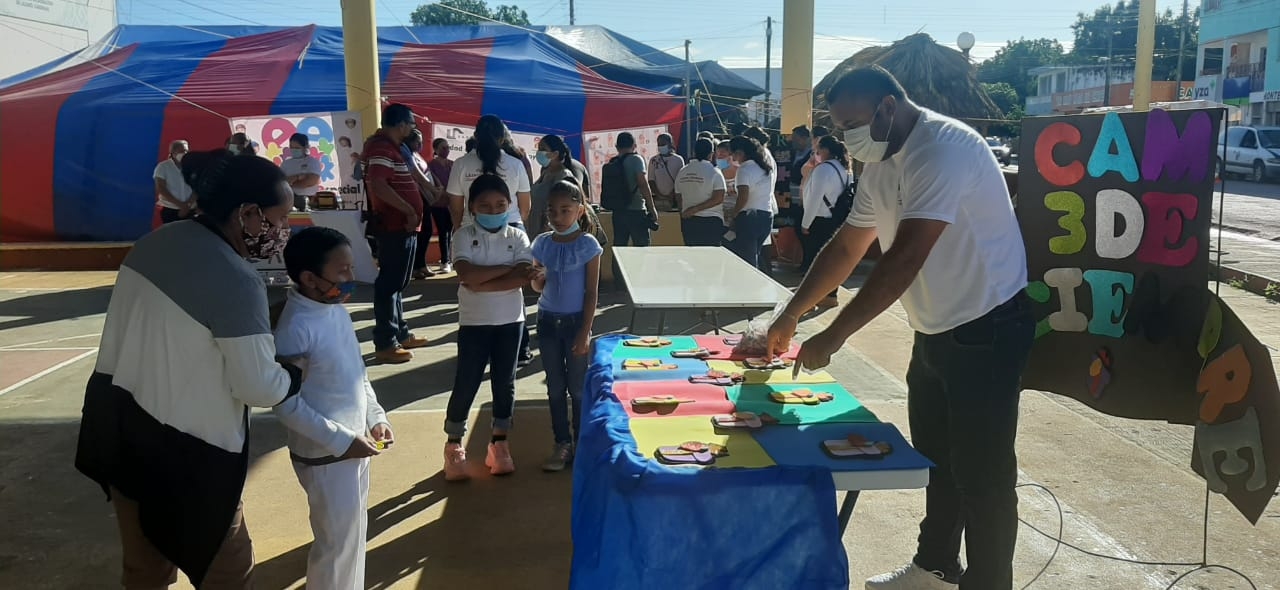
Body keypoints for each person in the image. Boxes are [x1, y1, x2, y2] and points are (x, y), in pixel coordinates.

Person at [764, 66, 1032, 590]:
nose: (845, 138)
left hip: (989, 326)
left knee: (983, 476)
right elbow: (847, 246)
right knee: (937, 461)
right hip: (933, 329)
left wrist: (834, 334)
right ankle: (934, 568)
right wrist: (793, 313)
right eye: (839, 129)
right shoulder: (880, 161)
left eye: (850, 124)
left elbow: (905, 256)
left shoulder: (943, 148)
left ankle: (990, 582)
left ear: (888, 107)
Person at [76, 149, 305, 589]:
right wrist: (292, 372)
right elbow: (258, 387)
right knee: (227, 569)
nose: (282, 231)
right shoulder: (236, 277)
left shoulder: (153, 243)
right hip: (188, 450)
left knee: (145, 568)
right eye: (279, 219)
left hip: (117, 427)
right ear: (248, 213)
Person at [274, 227, 392, 590]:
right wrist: (341, 441)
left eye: (351, 267)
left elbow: (357, 373)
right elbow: (285, 404)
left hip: (355, 446)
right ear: (309, 278)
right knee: (335, 544)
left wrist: (375, 416)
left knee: (353, 537)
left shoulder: (334, 309)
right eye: (342, 271)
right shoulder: (295, 327)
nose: (351, 278)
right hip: (326, 454)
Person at [444, 174, 535, 480]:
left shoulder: (519, 237)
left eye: (500, 205)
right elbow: (466, 275)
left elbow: (525, 276)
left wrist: (485, 281)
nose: (493, 211)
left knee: (504, 382)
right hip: (474, 323)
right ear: (471, 207)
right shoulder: (462, 235)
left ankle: (499, 443)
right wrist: (506, 272)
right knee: (466, 381)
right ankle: (454, 445)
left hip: (511, 322)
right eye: (485, 205)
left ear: (509, 206)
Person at [445, 115, 535, 366]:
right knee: (513, 290)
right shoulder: (515, 164)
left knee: (474, 290)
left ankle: (479, 351)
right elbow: (526, 205)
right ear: (502, 138)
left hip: (470, 229)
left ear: (475, 136)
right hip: (512, 227)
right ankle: (520, 348)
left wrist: (461, 228)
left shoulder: (461, 164)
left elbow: (455, 204)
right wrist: (514, 225)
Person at [530, 180, 602, 472]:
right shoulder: (542, 243)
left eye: (565, 210)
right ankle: (562, 444)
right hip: (547, 322)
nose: (557, 217)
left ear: (580, 211)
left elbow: (592, 293)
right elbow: (537, 287)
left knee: (578, 387)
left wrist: (585, 332)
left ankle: (582, 442)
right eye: (552, 211)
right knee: (555, 388)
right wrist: (537, 277)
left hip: (575, 324)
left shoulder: (587, 245)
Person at [362, 103, 429, 364]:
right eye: (411, 124)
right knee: (389, 284)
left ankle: (400, 332)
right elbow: (379, 184)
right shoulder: (381, 147)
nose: (412, 129)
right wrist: (408, 210)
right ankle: (386, 341)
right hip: (394, 226)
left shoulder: (390, 148)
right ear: (401, 124)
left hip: (403, 226)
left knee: (398, 283)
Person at [800, 134, 853, 309]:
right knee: (830, 260)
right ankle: (830, 294)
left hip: (819, 219)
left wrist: (805, 223)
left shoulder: (823, 169)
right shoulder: (845, 170)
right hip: (835, 219)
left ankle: (810, 298)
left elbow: (814, 198)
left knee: (813, 261)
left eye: (818, 150)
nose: (816, 153)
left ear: (826, 150)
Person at [726, 136, 776, 270]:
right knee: (755, 254)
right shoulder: (765, 167)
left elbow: (743, 196)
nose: (732, 157)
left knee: (747, 260)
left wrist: (734, 215)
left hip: (749, 218)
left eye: (732, 153)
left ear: (740, 153)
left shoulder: (744, 169)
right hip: (766, 216)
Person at [403, 130, 443, 280]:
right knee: (420, 232)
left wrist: (436, 186)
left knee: (425, 231)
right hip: (415, 196)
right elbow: (416, 174)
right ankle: (415, 267)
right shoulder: (405, 153)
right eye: (417, 142)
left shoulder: (416, 155)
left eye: (421, 142)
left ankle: (421, 264)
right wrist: (432, 189)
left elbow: (427, 172)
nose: (419, 145)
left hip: (426, 197)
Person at [608, 132, 658, 248]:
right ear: (634, 145)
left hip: (618, 211)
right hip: (637, 210)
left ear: (616, 146)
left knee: (619, 249)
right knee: (642, 250)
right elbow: (643, 184)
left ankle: (617, 267)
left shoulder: (613, 162)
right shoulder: (636, 160)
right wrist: (652, 208)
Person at [674, 138, 726, 246]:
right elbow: (719, 198)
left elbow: (678, 195)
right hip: (711, 221)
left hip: (688, 221)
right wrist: (695, 209)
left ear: (694, 152)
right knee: (710, 257)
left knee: (691, 257)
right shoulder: (714, 172)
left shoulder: (683, 171)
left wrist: (685, 211)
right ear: (711, 154)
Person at [427, 138, 455, 274]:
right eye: (443, 148)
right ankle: (445, 261)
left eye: (448, 147)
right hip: (438, 203)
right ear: (436, 150)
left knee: (450, 230)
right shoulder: (431, 165)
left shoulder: (452, 164)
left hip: (452, 203)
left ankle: (449, 258)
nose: (446, 150)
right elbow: (432, 182)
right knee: (443, 231)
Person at [154, 140, 193, 224]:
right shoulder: (163, 167)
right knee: (172, 235)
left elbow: (197, 186)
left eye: (186, 151)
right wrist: (181, 205)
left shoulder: (192, 166)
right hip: (170, 209)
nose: (184, 153)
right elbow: (161, 188)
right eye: (181, 151)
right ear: (172, 152)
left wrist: (188, 205)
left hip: (190, 209)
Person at [282, 133, 323, 212]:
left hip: (308, 200)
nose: (294, 150)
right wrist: (298, 177)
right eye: (292, 147)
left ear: (305, 147)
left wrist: (291, 182)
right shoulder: (286, 163)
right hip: (289, 201)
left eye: (297, 148)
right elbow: (281, 182)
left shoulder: (312, 162)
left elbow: (311, 181)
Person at [648, 132, 685, 211]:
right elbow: (651, 180)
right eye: (659, 144)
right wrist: (660, 195)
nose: (661, 146)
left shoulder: (678, 160)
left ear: (670, 143)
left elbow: (680, 180)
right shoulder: (653, 160)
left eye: (663, 143)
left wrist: (672, 194)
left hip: (674, 199)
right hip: (658, 200)